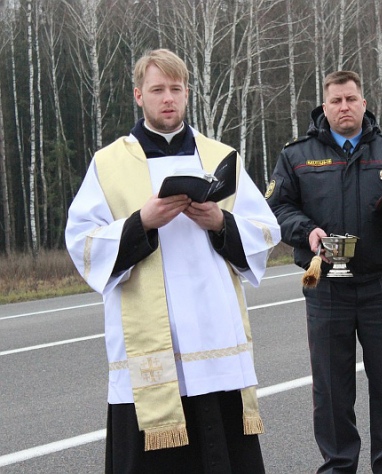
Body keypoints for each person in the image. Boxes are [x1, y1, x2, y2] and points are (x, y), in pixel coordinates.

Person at [65, 48, 280, 473]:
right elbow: (83, 242)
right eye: (157, 89)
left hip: (214, 335)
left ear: (187, 94)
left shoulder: (219, 156)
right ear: (138, 95)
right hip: (151, 344)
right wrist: (142, 222)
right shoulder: (109, 163)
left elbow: (264, 231)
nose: (168, 98)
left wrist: (220, 221)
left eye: (176, 89)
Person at [265, 70, 382, 474]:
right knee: (331, 390)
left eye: (351, 99)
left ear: (364, 103)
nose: (344, 107)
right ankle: (338, 465)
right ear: (324, 106)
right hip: (325, 287)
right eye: (336, 101)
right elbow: (277, 210)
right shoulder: (296, 155)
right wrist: (305, 231)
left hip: (380, 285)